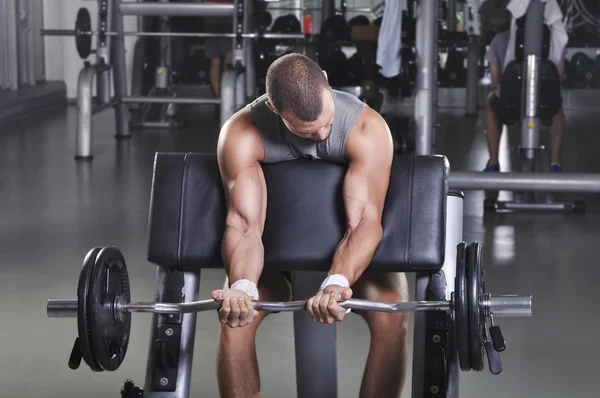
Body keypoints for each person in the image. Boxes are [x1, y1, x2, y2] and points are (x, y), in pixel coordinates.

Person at [213, 53, 409, 398]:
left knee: (390, 310)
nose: (321, 134)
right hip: (275, 261)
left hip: (357, 262)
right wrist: (243, 287)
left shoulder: (367, 128)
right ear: (275, 110)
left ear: (326, 81)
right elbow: (244, 226)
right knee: (235, 320)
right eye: (308, 131)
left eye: (327, 125)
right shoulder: (242, 133)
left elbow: (364, 220)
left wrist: (336, 283)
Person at [483, 23, 566, 173]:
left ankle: (493, 164)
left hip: (509, 106)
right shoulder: (554, 40)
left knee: (491, 106)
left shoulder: (499, 40)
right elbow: (558, 78)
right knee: (557, 109)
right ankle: (555, 164)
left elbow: (495, 83)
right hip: (544, 105)